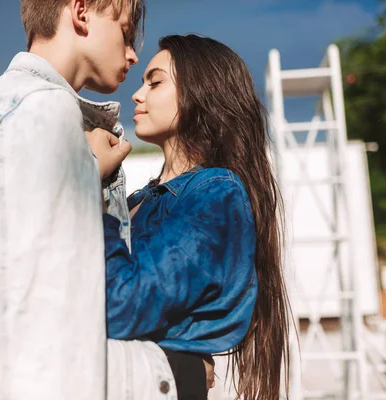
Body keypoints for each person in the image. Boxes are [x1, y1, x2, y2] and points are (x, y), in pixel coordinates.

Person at [0, 1, 145, 399]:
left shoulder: (13, 104)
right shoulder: (41, 108)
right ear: (81, 11)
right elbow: (44, 309)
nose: (133, 53)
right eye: (125, 31)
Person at [86, 34, 293, 400]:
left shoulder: (214, 194)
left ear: (200, 92)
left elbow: (122, 307)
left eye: (155, 82)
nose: (137, 95)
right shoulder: (139, 198)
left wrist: (87, 182)